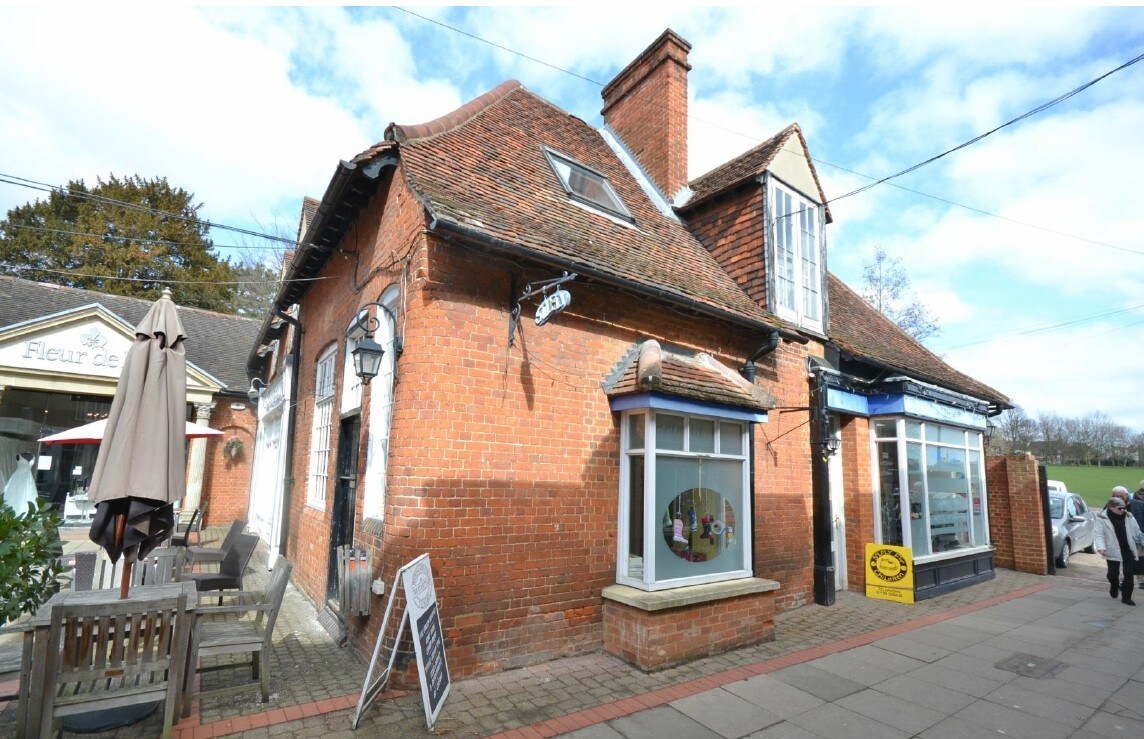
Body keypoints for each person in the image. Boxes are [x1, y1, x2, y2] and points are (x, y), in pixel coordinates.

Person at [1094, 491, 1142, 606]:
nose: (1123, 510)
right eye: (1119, 508)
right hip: (1113, 549)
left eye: (1124, 508)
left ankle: (1126, 597)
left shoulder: (1129, 517)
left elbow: (1137, 532)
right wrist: (1101, 548)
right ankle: (1114, 586)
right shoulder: (1102, 519)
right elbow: (1099, 534)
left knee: (1129, 574)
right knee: (1112, 574)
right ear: (1111, 507)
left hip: (1128, 549)